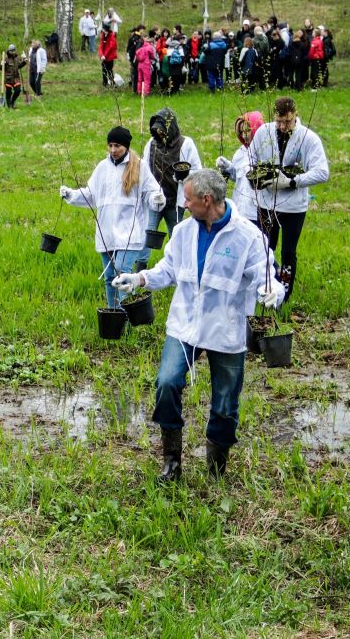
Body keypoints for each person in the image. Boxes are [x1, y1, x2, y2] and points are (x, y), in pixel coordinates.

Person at [111, 170, 286, 480]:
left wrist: (273, 290)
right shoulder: (183, 231)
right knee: (166, 382)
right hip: (185, 324)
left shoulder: (246, 235)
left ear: (207, 200)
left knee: (224, 401)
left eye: (188, 199)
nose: (184, 204)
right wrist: (139, 279)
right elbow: (168, 269)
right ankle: (172, 462)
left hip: (225, 328)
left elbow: (266, 273)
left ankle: (216, 467)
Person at [58, 126, 165, 309]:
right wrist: (70, 195)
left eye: (118, 146)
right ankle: (113, 315)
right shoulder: (102, 168)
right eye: (110, 145)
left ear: (126, 146)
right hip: (106, 232)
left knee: (122, 276)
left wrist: (157, 199)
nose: (113, 150)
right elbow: (91, 195)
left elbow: (151, 194)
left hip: (129, 233)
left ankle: (124, 316)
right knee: (110, 278)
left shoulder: (139, 166)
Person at [248, 96, 330, 302]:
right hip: (266, 203)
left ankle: (284, 292)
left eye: (288, 121)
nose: (283, 126)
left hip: (294, 206)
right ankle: (266, 287)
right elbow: (251, 160)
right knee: (265, 249)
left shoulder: (308, 138)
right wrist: (255, 178)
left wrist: (292, 181)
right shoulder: (263, 133)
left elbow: (322, 172)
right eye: (279, 121)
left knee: (288, 253)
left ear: (295, 116)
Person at [134, 107, 202, 271]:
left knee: (176, 237)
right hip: (155, 201)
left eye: (162, 131)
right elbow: (145, 169)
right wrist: (149, 193)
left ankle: (178, 271)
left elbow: (197, 172)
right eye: (156, 131)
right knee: (147, 235)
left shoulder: (186, 144)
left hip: (175, 202)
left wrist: (182, 177)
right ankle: (140, 271)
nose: (159, 135)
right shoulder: (151, 144)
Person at [216, 111, 265, 226]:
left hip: (256, 212)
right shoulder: (240, 152)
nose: (244, 135)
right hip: (239, 210)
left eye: (248, 130)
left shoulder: (265, 152)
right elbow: (238, 177)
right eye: (242, 131)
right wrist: (227, 167)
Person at [0, 44, 28, 109]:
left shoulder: (17, 58)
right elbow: (1, 68)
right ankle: (9, 106)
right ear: (9, 51)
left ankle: (12, 102)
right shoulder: (5, 58)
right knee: (8, 92)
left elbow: (19, 66)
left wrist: (24, 62)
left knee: (18, 91)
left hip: (16, 78)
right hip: (8, 78)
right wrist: (2, 64)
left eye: (14, 50)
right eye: (11, 51)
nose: (13, 52)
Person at [126, 25, 145, 93]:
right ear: (140, 29)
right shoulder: (134, 37)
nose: (143, 31)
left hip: (139, 58)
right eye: (143, 29)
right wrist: (129, 55)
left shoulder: (140, 37)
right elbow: (129, 47)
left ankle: (138, 89)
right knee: (135, 74)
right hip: (134, 58)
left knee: (138, 74)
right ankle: (135, 89)